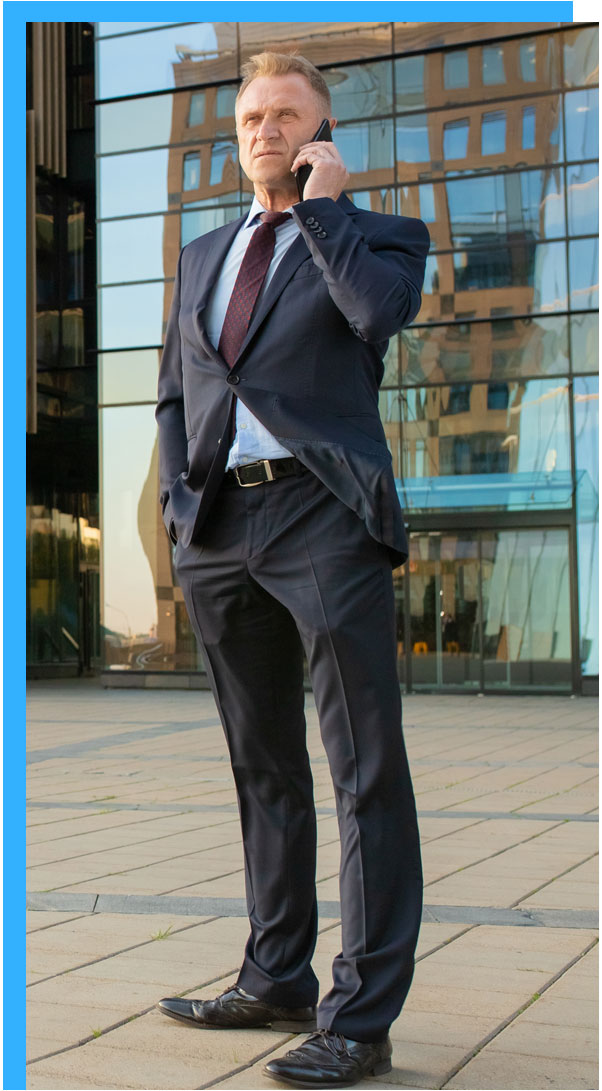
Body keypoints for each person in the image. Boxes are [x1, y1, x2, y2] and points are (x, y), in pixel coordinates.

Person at [155, 50, 429, 1089]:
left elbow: (373, 318)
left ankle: (359, 1017)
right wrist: (182, 510)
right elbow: (175, 391)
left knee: (364, 772)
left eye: (284, 116)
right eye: (250, 117)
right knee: (261, 763)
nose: (261, 130)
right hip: (221, 527)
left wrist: (320, 211)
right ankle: (274, 974)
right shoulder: (199, 254)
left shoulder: (378, 237)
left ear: (320, 136)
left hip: (323, 516)